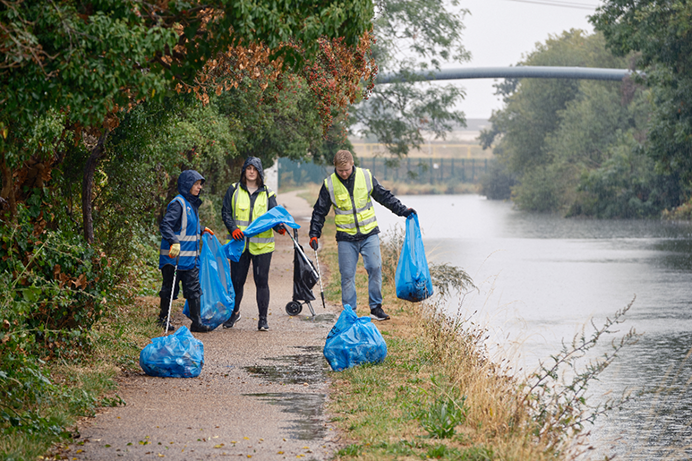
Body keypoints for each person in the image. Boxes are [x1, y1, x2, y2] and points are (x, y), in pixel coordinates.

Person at [309, 150, 416, 321]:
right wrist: (314, 233)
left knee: (375, 268)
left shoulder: (365, 176)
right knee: (347, 276)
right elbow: (319, 211)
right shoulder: (329, 184)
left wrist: (402, 210)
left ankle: (376, 307)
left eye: (346, 170)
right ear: (335, 167)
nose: (343, 174)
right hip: (346, 237)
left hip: (369, 234)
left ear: (352, 164)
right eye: (340, 170)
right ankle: (350, 312)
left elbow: (384, 197)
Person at [221, 157, 286, 331]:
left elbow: (275, 216)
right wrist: (233, 228)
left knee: (262, 281)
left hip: (262, 247)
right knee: (237, 281)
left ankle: (263, 319)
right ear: (244, 171)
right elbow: (226, 212)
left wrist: (279, 227)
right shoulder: (233, 190)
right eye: (248, 168)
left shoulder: (267, 193)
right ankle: (234, 314)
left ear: (259, 172)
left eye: (254, 169)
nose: (251, 171)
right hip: (239, 245)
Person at [158, 169, 214, 333]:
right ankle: (163, 319)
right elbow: (166, 225)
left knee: (194, 290)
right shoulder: (178, 203)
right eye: (196, 184)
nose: (199, 188)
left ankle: (196, 323)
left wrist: (201, 229)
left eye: (200, 184)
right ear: (187, 185)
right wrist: (174, 241)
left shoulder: (192, 204)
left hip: (189, 260)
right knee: (169, 290)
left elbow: (186, 226)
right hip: (173, 259)